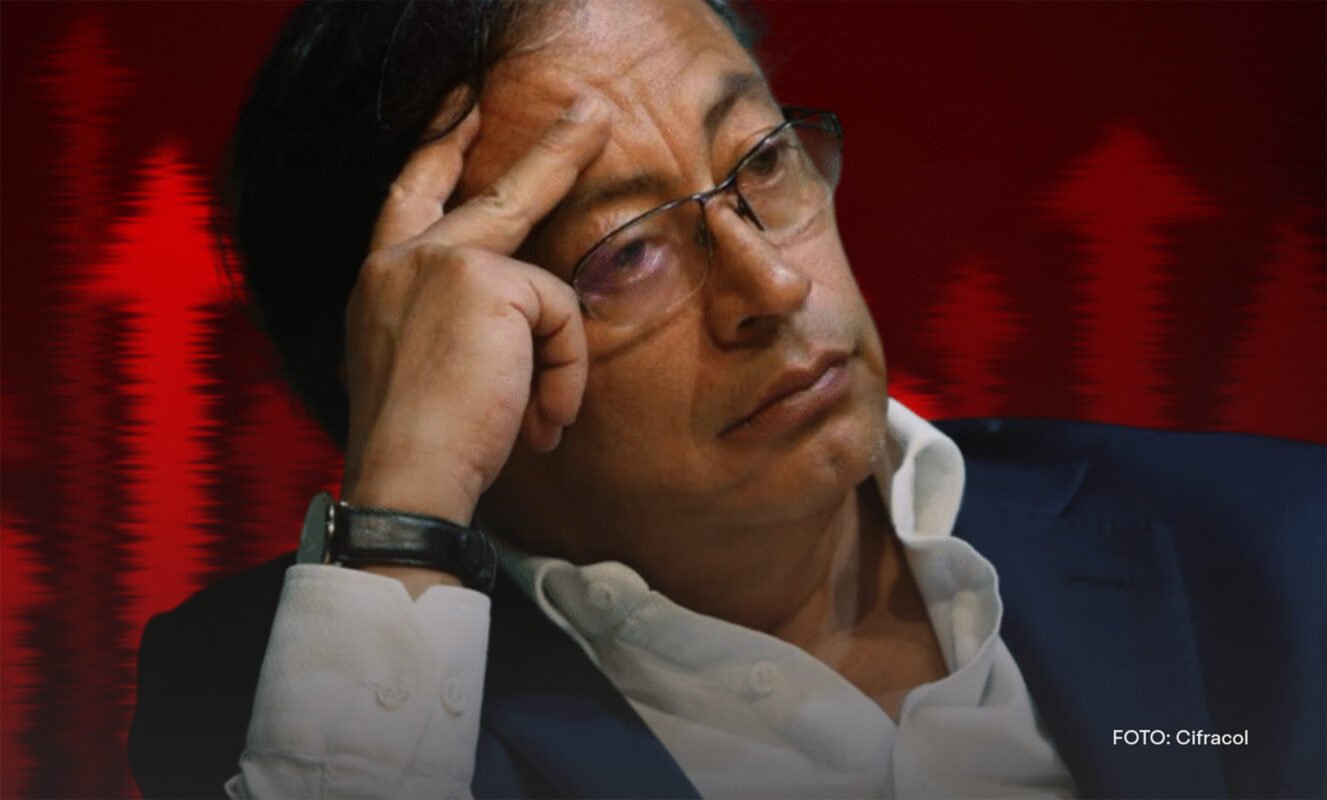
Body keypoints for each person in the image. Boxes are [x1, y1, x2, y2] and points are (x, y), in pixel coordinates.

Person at [128, 1, 1325, 798]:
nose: (772, 284)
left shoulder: (1275, 545)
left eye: (761, 161)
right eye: (624, 251)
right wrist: (407, 503)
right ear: (436, 356)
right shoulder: (277, 686)